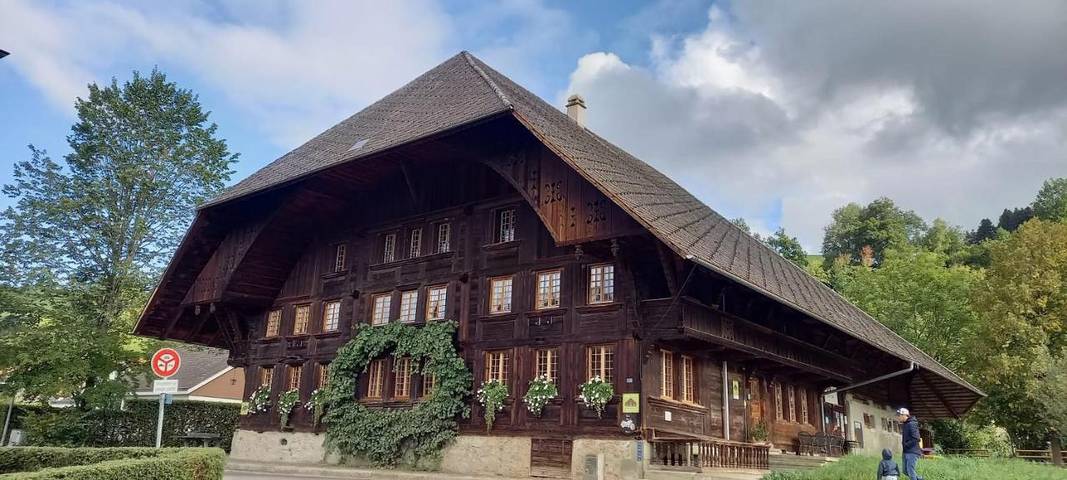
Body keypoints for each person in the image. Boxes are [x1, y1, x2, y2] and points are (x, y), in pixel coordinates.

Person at [897, 407, 922, 480]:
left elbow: (916, 438)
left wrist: (906, 445)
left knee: (910, 470)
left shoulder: (911, 424)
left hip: (912, 451)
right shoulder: (905, 424)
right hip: (906, 451)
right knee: (905, 471)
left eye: (899, 415)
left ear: (904, 415)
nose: (898, 417)